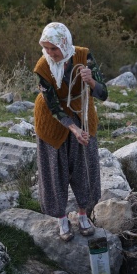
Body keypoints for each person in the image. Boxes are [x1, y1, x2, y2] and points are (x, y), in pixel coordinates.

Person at [33, 22, 108, 241]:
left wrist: (90, 80)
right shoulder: (42, 67)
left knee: (84, 166)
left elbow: (103, 94)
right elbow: (54, 107)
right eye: (46, 48)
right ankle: (62, 218)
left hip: (82, 112)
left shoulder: (84, 56)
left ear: (64, 44)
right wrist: (74, 130)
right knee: (55, 170)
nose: (50, 53)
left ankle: (83, 214)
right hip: (51, 119)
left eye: (54, 48)